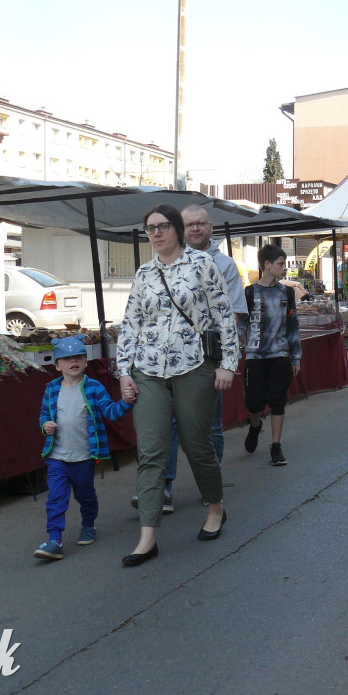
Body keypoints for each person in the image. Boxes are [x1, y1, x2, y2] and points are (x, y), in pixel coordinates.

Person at [117, 204, 239, 566]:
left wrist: (228, 364)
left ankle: (215, 507)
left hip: (195, 366)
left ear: (177, 230)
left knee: (196, 443)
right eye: (150, 228)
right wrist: (125, 370)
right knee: (151, 451)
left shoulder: (203, 265)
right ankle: (147, 536)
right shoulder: (143, 274)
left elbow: (224, 315)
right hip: (149, 371)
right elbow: (131, 324)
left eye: (163, 226)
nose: (156, 233)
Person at [34, 335, 132, 561]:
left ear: (86, 362)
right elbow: (44, 415)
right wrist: (45, 425)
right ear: (57, 366)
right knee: (56, 498)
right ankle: (55, 540)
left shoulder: (94, 387)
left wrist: (126, 402)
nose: (73, 362)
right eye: (67, 359)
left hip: (83, 457)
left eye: (78, 357)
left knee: (85, 495)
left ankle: (89, 525)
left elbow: (110, 412)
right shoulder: (51, 389)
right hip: (57, 457)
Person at [242, 244, 302, 466]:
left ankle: (276, 446)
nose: (284, 268)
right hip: (255, 356)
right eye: (280, 264)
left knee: (278, 400)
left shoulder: (287, 292)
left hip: (280, 355)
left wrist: (295, 358)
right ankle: (255, 425)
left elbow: (293, 326)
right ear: (267, 265)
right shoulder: (249, 292)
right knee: (253, 402)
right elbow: (241, 325)